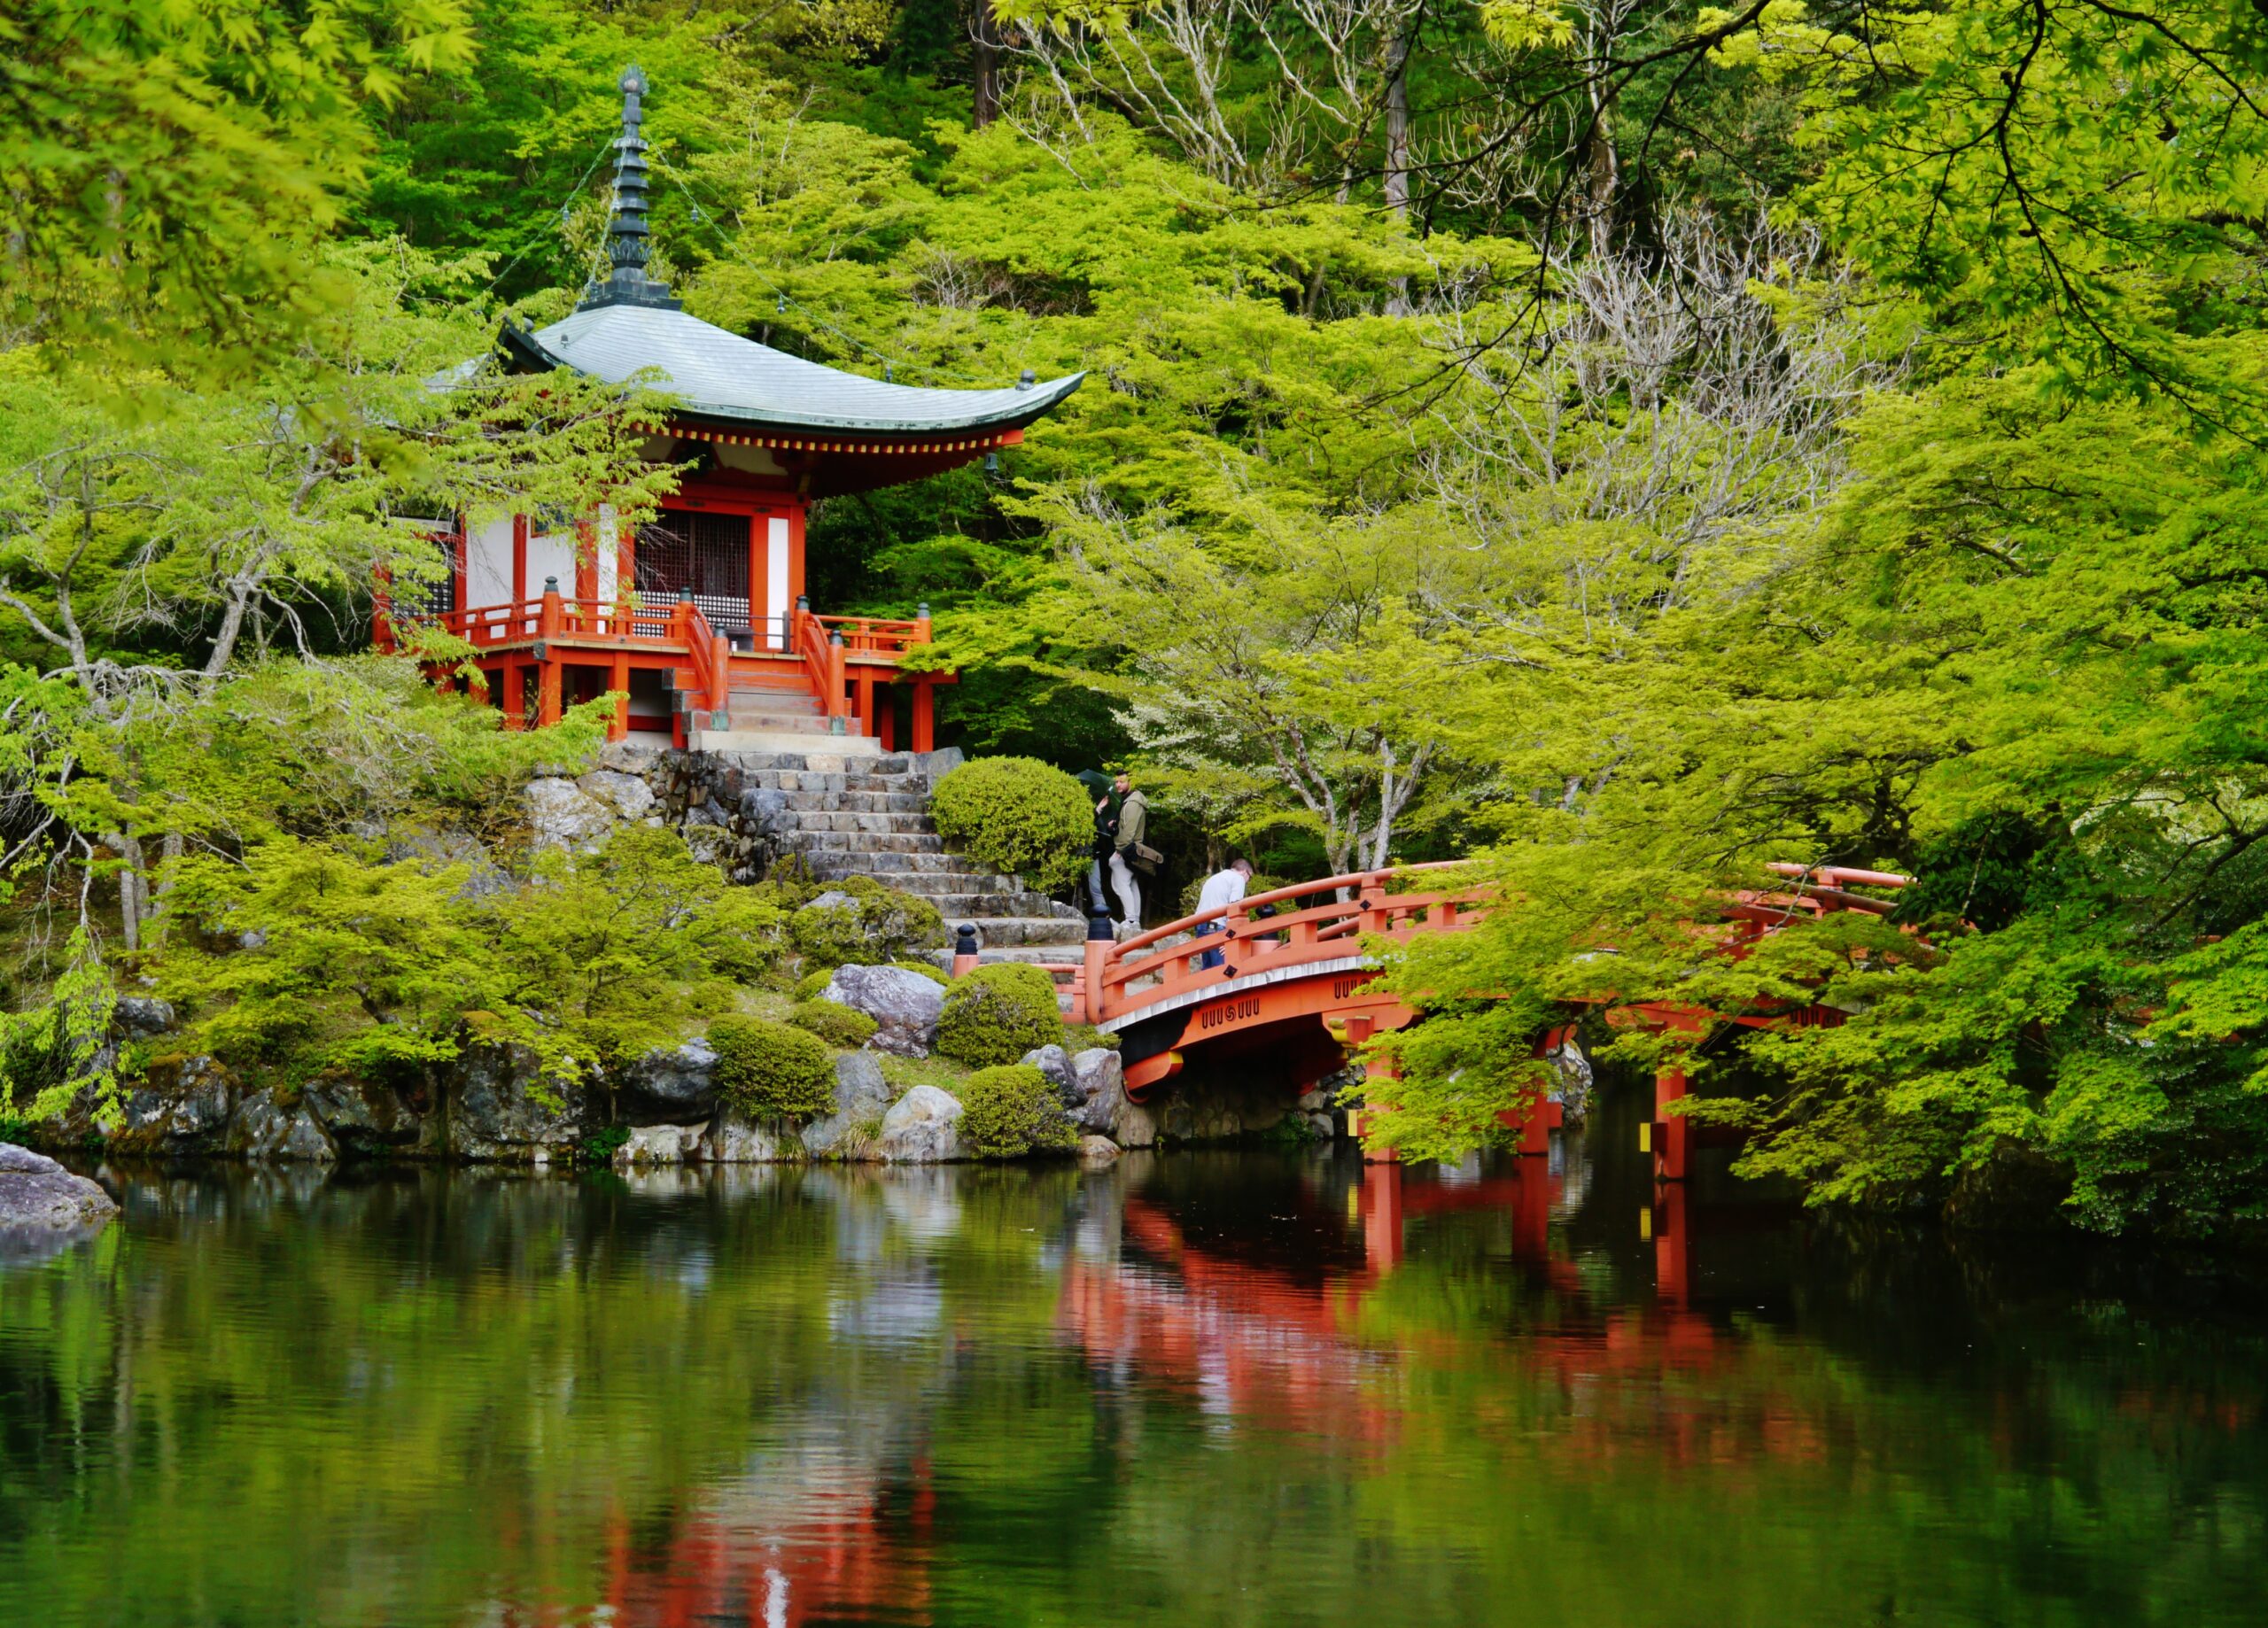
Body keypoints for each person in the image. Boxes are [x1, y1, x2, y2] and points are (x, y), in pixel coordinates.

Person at [1107, 769, 1150, 935]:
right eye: (1116, 781)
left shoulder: (1132, 803)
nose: (1118, 784)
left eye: (1121, 781)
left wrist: (1120, 850)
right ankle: (1134, 920)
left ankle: (1131, 920)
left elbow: (1130, 832)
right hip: (1132, 849)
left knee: (1121, 885)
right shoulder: (1130, 801)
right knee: (1131, 885)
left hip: (1128, 850)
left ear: (1130, 782)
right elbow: (1126, 827)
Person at [1192, 856, 1254, 970]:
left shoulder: (1213, 878)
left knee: (1207, 969)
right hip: (1216, 926)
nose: (1248, 881)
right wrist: (1232, 937)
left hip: (1200, 926)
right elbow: (1235, 909)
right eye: (1250, 878)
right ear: (1246, 872)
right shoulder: (1238, 879)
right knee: (1222, 968)